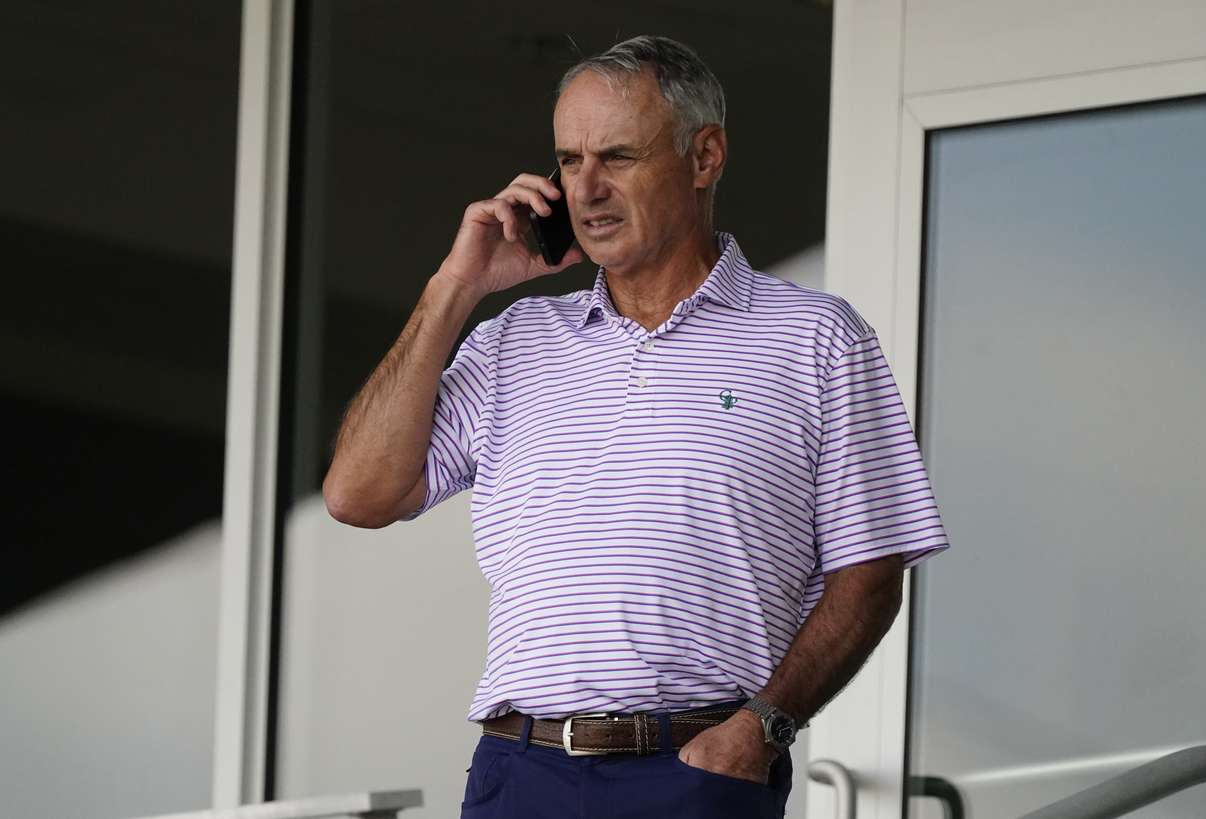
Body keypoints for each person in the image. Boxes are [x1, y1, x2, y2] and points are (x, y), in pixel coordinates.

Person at [323, 34, 950, 819]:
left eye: (616, 156)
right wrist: (456, 286)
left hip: (696, 772)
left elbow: (871, 569)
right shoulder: (510, 341)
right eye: (568, 160)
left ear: (704, 156)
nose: (586, 189)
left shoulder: (816, 338)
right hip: (521, 773)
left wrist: (760, 729)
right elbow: (357, 493)